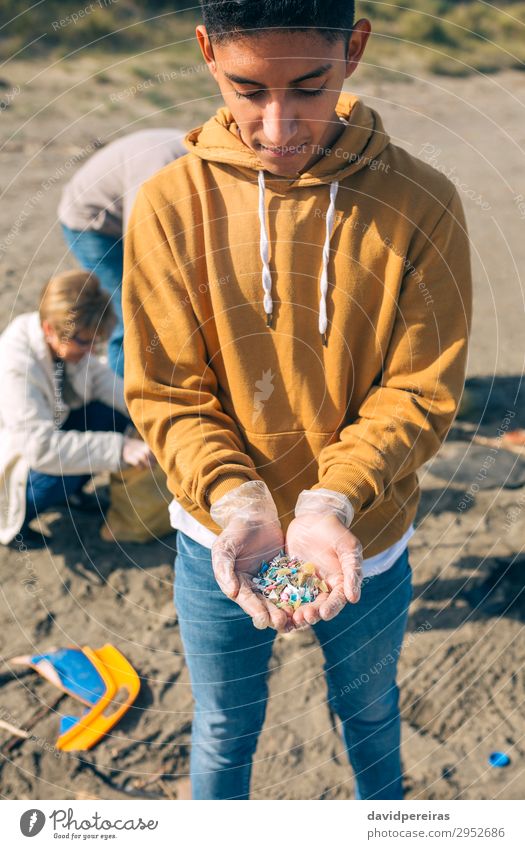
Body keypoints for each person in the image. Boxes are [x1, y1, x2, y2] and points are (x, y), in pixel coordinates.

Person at [122, 0, 473, 800]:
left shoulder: (422, 201)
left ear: (353, 50)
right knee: (221, 727)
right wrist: (236, 495)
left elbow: (418, 390)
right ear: (206, 51)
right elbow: (167, 388)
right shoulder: (169, 205)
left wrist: (331, 500)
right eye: (248, 92)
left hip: (361, 542)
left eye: (307, 90)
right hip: (221, 537)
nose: (277, 126)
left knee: (371, 713)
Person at [0, 270, 155, 550]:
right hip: (21, 455)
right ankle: (15, 527)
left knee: (113, 416)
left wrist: (150, 416)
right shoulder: (16, 365)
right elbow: (41, 448)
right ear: (49, 330)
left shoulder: (66, 340)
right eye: (84, 342)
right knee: (54, 474)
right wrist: (121, 448)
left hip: (55, 428)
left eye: (96, 342)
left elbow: (102, 381)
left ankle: (69, 492)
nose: (93, 351)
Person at [58, 129, 188, 377]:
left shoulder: (200, 161)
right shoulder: (159, 170)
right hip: (90, 222)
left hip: (118, 210)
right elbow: (141, 242)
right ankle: (123, 401)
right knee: (130, 314)